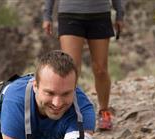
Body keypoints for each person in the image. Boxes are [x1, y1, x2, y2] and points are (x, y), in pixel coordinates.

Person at [0, 50, 95, 139]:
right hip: (16, 113)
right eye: (50, 93)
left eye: (66, 93)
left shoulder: (84, 109)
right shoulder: (14, 102)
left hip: (52, 124)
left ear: (75, 88)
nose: (57, 103)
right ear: (35, 86)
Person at [42, 0, 124, 131]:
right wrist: (47, 15)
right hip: (70, 13)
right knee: (69, 69)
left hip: (100, 14)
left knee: (101, 69)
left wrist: (120, 14)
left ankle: (104, 112)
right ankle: (68, 115)